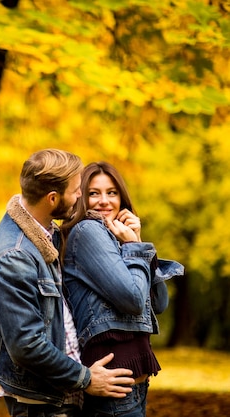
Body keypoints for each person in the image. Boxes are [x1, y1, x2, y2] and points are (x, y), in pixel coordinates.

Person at [0, 150, 135, 417]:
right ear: (53, 198)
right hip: (42, 403)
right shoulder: (15, 255)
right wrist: (87, 379)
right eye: (77, 190)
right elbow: (26, 345)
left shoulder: (45, 234)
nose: (80, 196)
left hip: (61, 393)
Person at [60, 161, 184, 417]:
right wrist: (134, 248)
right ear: (81, 197)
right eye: (94, 193)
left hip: (133, 385)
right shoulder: (87, 231)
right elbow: (134, 300)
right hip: (113, 385)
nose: (104, 201)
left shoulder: (117, 239)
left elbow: (159, 304)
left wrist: (137, 242)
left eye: (112, 192)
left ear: (122, 198)